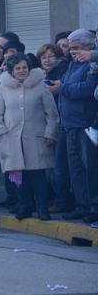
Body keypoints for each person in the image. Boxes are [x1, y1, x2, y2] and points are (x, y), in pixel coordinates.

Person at [0, 53, 59, 221]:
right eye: (18, 68)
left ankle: (42, 208)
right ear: (12, 71)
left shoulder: (40, 85)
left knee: (38, 175)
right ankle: (25, 206)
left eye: (24, 68)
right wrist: (1, 135)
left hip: (37, 138)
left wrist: (50, 133)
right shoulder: (3, 88)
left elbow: (52, 114)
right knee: (19, 175)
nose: (21, 71)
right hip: (12, 138)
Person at [55, 29, 98, 223]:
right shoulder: (72, 64)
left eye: (76, 48)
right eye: (70, 48)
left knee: (91, 169)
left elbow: (89, 88)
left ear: (89, 47)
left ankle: (95, 207)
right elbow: (66, 85)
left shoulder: (92, 64)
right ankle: (82, 206)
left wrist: (62, 88)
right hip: (69, 125)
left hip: (85, 125)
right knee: (76, 170)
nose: (72, 52)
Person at [36, 43, 72, 213]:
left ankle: (63, 200)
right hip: (44, 126)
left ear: (58, 57)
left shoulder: (61, 71)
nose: (47, 60)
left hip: (59, 124)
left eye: (51, 56)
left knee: (59, 166)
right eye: (43, 57)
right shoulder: (41, 75)